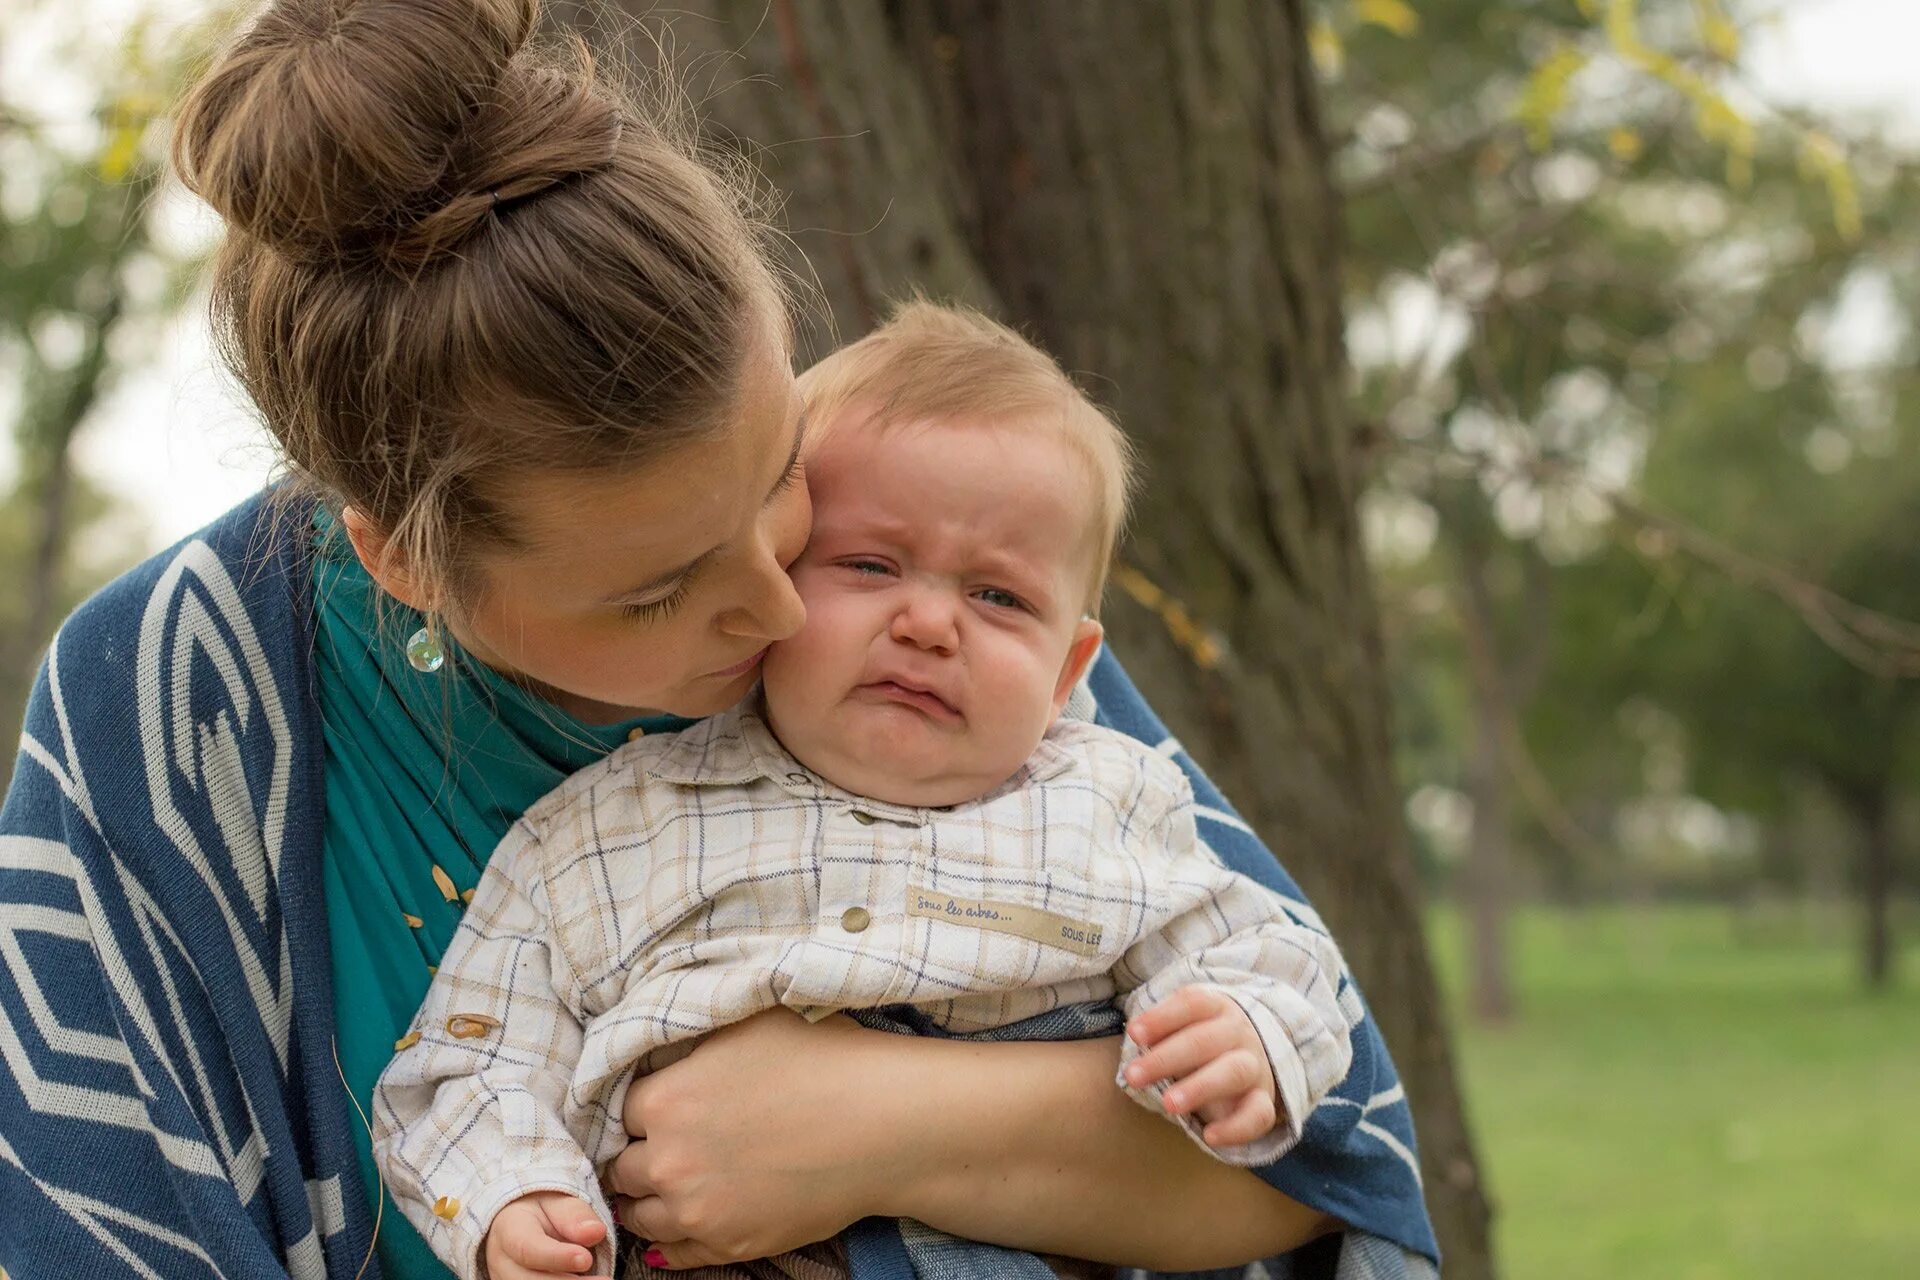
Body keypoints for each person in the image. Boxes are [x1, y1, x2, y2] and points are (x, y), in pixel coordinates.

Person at [0, 2, 1436, 1278]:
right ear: (407, 565)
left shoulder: (926, 583)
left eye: (778, 490)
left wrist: (873, 1127)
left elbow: (1330, 1170)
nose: (783, 600)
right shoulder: (175, 704)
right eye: (657, 590)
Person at [372, 303, 1357, 1280]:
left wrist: (1249, 1032)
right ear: (771, 583)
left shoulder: (1112, 801)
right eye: (870, 564)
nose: (930, 622)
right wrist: (517, 1195)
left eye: (1000, 596)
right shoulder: (609, 827)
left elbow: (1271, 955)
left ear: (1070, 671)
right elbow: (472, 1056)